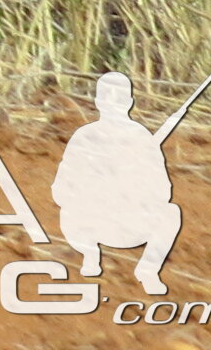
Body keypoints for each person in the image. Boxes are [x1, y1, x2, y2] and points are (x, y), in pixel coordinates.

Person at [50, 70, 184, 296]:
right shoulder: (85, 137)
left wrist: (132, 183)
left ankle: (146, 270)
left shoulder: (141, 140)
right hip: (89, 223)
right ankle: (91, 256)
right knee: (170, 213)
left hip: (123, 223)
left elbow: (162, 193)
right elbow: (61, 191)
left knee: (170, 212)